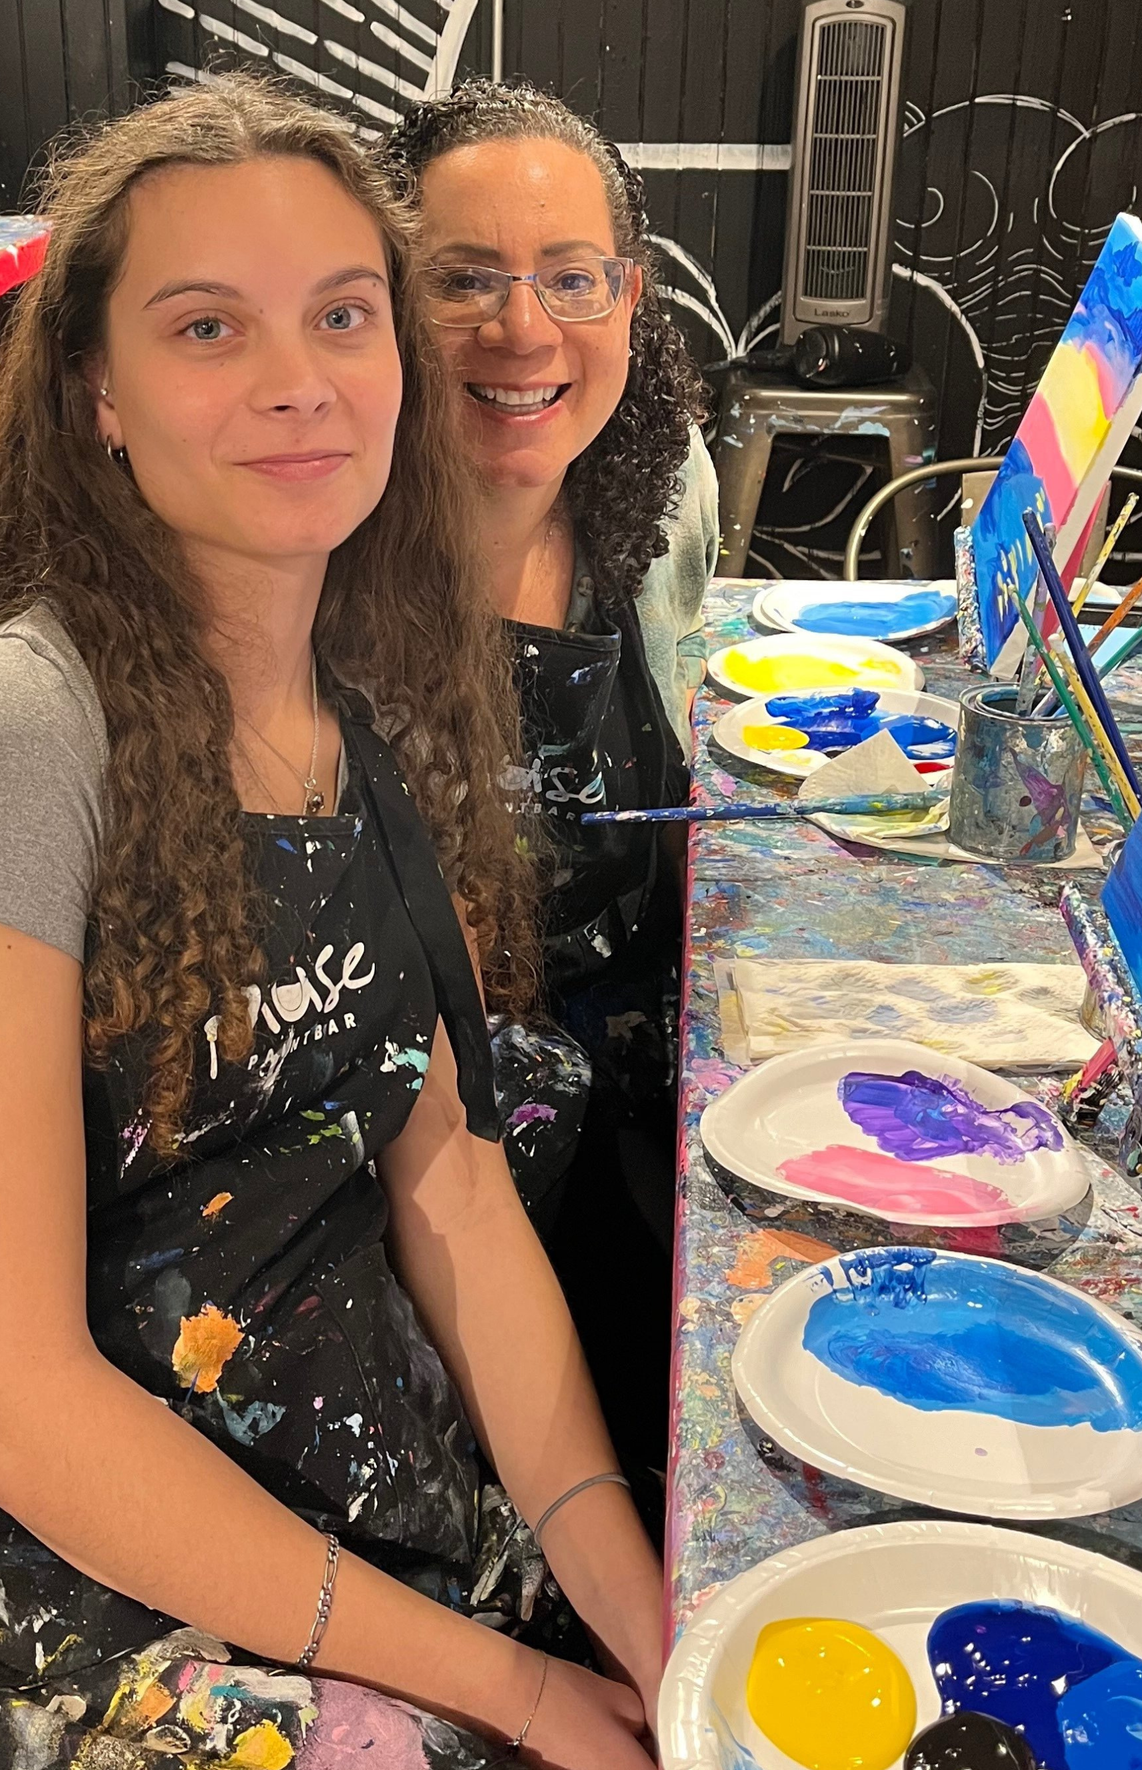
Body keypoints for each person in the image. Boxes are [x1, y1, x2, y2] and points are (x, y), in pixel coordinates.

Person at [0, 74, 663, 1769]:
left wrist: (652, 1618)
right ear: (97, 398)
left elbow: (456, 1192)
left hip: (369, 1503)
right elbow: (14, 1407)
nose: (297, 382)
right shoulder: (20, 728)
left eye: (341, 314)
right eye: (208, 328)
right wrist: (508, 1688)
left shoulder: (368, 678)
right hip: (92, 1607)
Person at [390, 85, 716, 1468]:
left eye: (571, 278)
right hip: (415, 1178)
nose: (524, 331)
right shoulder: (302, 532)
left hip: (628, 1110)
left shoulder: (656, 493)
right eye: (462, 280)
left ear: (628, 301)